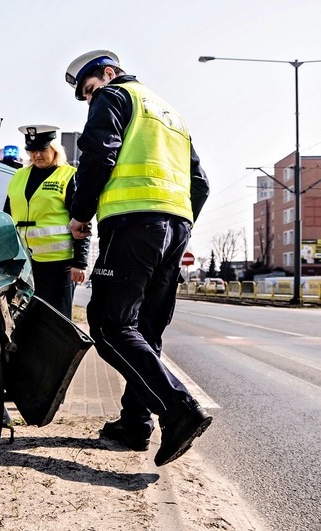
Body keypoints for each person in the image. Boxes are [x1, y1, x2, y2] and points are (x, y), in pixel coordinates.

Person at [64, 50, 212, 466]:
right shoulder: (171, 115)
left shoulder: (115, 97)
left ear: (108, 73)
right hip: (174, 227)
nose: (91, 101)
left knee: (109, 327)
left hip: (132, 225)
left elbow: (97, 155)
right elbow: (200, 183)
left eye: (90, 90)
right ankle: (135, 423)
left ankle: (180, 409)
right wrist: (178, 223)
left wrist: (80, 213)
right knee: (145, 329)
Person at [4, 125, 89, 319]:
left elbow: (81, 220)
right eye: (31, 150)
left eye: (42, 149)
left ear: (54, 149)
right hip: (22, 262)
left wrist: (80, 263)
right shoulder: (18, 176)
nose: (36, 155)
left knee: (56, 321)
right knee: (24, 318)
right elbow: (6, 215)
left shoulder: (69, 176)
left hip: (59, 265)